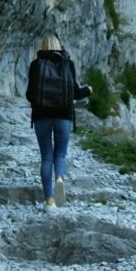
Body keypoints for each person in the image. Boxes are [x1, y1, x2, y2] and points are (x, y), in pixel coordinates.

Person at [26, 34, 92, 211]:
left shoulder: (35, 65)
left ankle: (49, 201)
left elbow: (29, 95)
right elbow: (76, 93)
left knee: (46, 157)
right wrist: (89, 90)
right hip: (63, 115)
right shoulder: (67, 63)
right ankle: (60, 178)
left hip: (41, 116)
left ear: (42, 47)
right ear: (58, 46)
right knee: (60, 154)